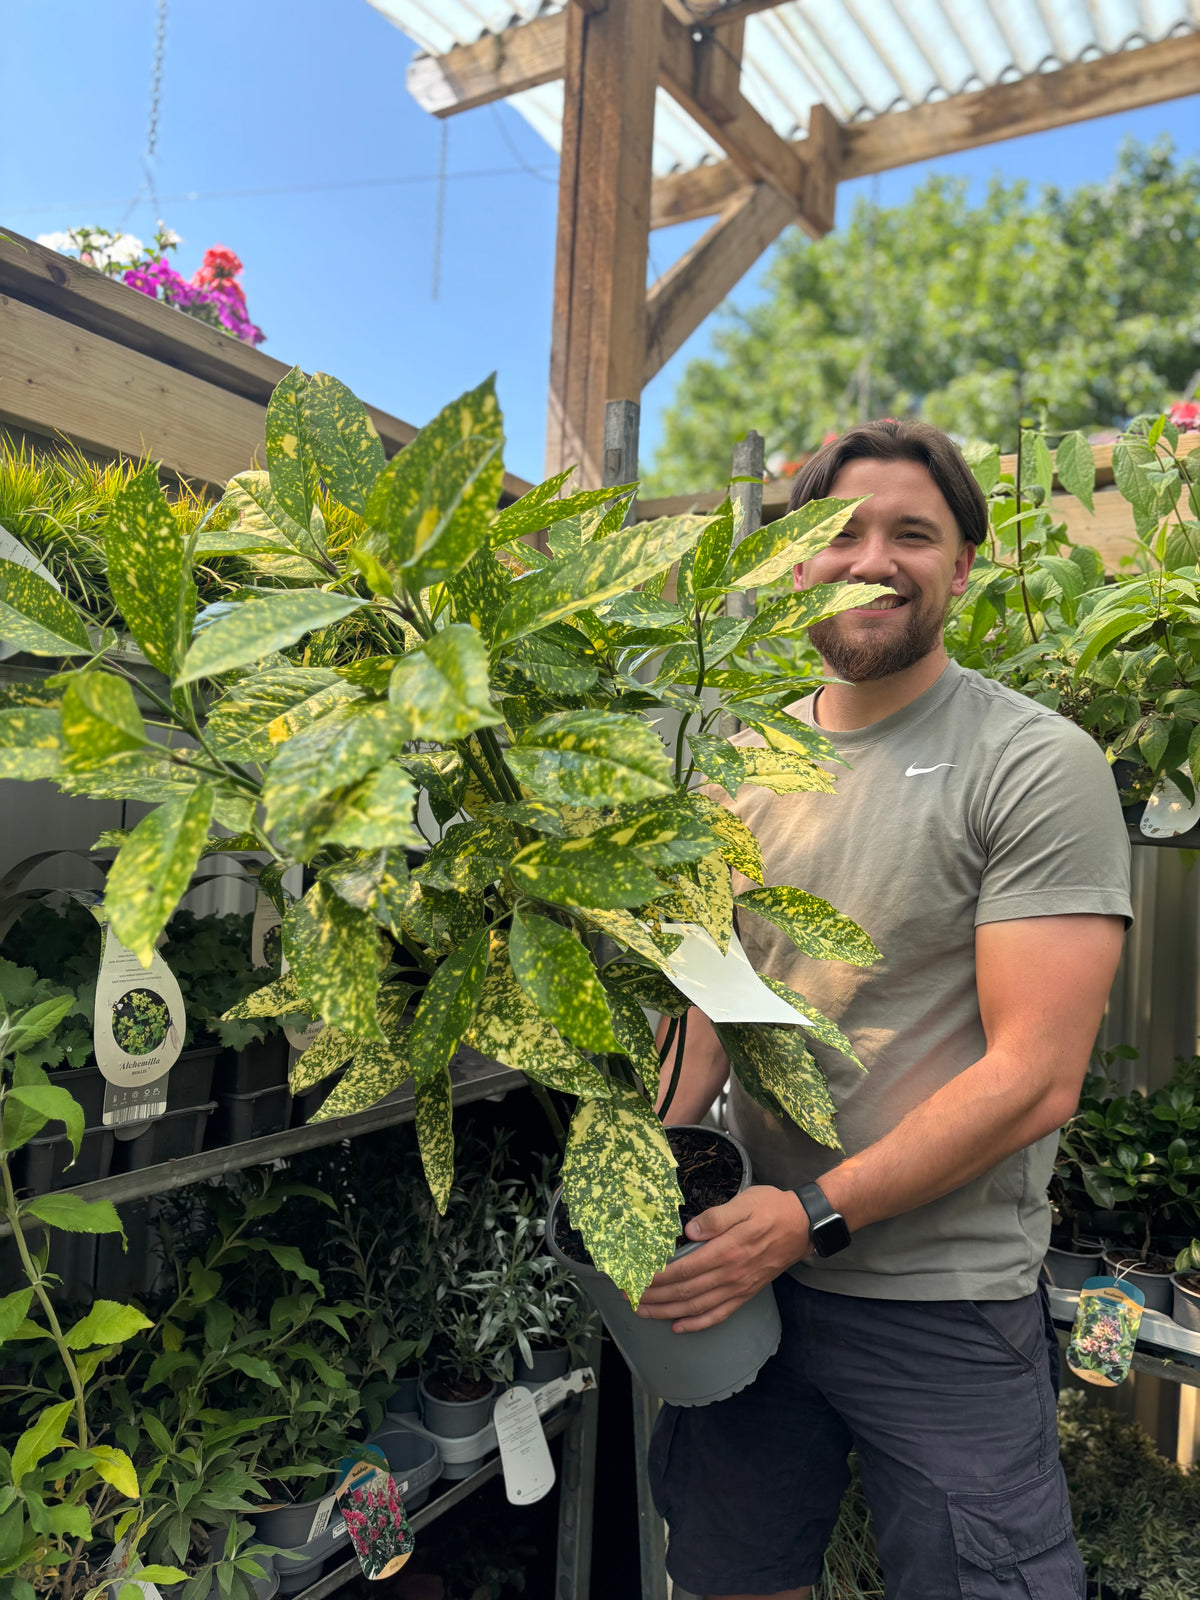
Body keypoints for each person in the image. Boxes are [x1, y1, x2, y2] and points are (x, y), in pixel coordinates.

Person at [637, 420, 1132, 1600]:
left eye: (914, 532)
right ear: (794, 558)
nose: (874, 555)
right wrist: (647, 1168)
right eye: (840, 529)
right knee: (732, 1575)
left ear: (964, 563)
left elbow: (1034, 1074)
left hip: (941, 1303)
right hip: (745, 1275)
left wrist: (806, 1217)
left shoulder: (1031, 761)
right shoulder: (741, 767)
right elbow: (707, 1010)